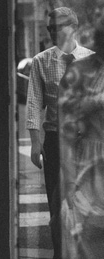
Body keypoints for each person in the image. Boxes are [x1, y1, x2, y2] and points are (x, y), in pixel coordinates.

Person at [26, 7, 93, 259]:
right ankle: (60, 253)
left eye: (58, 27)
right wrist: (35, 142)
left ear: (73, 27)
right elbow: (33, 103)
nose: (52, 32)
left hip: (86, 141)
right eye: (49, 28)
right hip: (55, 141)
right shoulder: (41, 61)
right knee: (57, 203)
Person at [58, 15, 104, 258]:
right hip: (90, 168)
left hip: (91, 166)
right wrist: (69, 181)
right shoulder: (81, 73)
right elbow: (67, 134)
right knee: (86, 236)